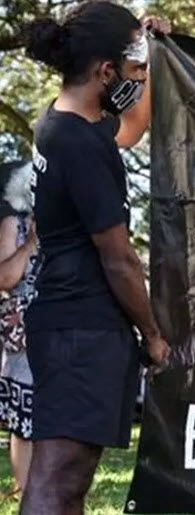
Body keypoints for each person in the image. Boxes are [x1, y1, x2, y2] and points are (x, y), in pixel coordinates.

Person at [21, 4, 171, 513]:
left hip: (70, 325)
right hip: (79, 330)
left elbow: (133, 125)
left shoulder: (64, 123)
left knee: (70, 484)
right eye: (133, 70)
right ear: (106, 72)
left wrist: (152, 53)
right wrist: (152, 335)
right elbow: (119, 258)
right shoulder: (78, 144)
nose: (138, 80)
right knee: (56, 481)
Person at [0, 162, 41, 499]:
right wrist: (30, 243)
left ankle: (51, 493)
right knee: (24, 420)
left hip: (62, 329)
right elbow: (5, 278)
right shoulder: (15, 224)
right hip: (24, 332)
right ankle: (27, 495)